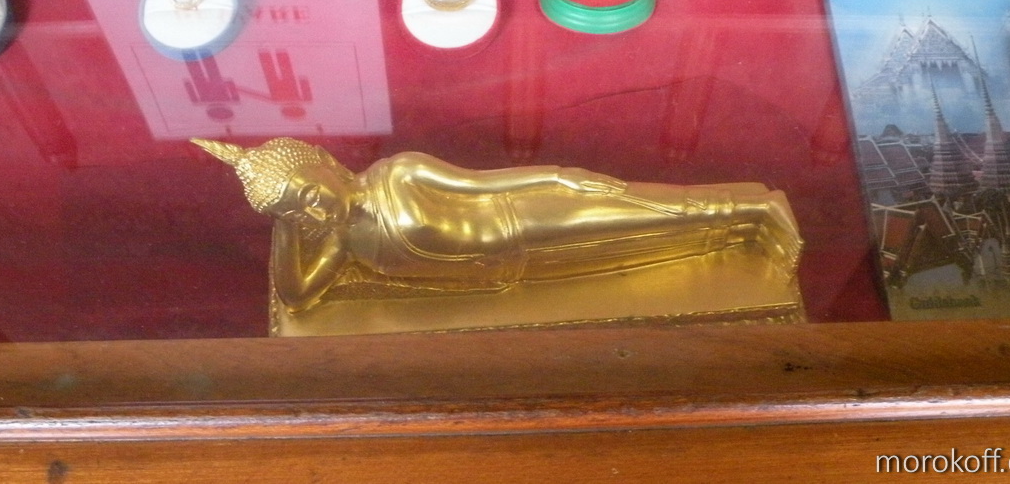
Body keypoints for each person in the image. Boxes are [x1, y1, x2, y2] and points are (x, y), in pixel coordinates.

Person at [194, 138, 801, 314]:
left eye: (308, 195)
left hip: (527, 218)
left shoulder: (397, 174)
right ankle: (735, 233)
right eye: (294, 212)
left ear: (326, 164)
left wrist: (561, 177)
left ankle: (754, 208)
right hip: (517, 269)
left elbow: (487, 182)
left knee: (638, 210)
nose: (311, 211)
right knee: (645, 253)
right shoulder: (343, 244)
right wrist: (285, 223)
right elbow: (297, 295)